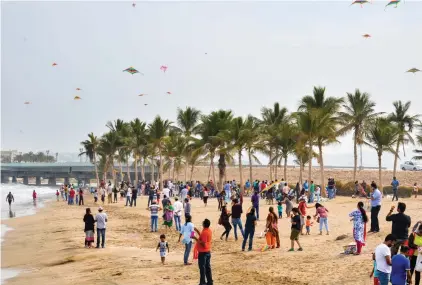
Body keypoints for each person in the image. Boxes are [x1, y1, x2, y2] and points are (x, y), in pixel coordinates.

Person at [193, 219, 213, 285]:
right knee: (207, 267)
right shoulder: (208, 230)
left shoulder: (205, 232)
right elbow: (202, 237)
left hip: (203, 253)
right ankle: (210, 282)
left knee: (202, 268)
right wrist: (197, 231)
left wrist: (195, 238)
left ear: (204, 224)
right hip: (207, 251)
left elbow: (203, 243)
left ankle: (202, 282)